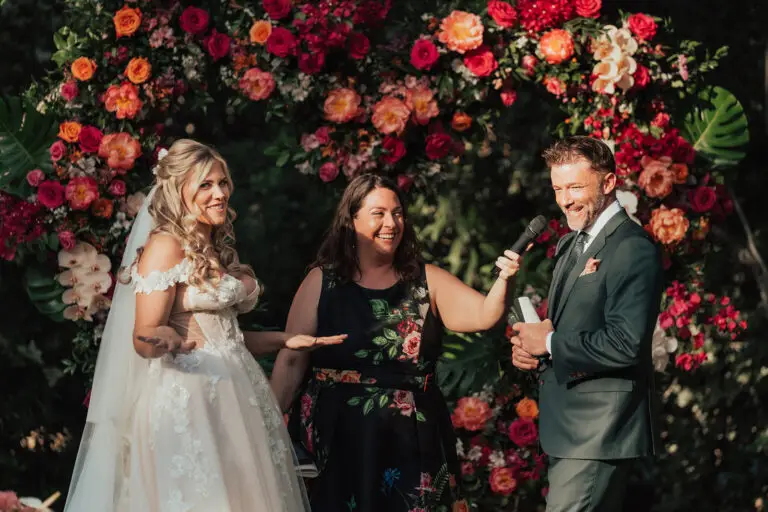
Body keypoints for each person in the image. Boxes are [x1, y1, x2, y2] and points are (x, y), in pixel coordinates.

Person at [64, 139, 346, 512]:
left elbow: (224, 337)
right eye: (206, 185)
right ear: (179, 191)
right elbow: (143, 336)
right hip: (188, 397)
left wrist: (285, 339)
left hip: (234, 392)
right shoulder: (165, 246)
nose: (220, 194)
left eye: (223, 183)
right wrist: (161, 337)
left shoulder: (213, 247)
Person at [270, 173, 524, 512]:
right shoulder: (321, 281)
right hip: (335, 437)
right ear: (352, 220)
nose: (391, 223)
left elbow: (485, 314)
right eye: (378, 213)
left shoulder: (426, 280)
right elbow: (290, 362)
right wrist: (265, 427)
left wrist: (505, 279)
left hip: (410, 441)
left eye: (398, 212)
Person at [510, 136, 663, 511]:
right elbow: (566, 329)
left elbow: (626, 344)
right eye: (558, 188)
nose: (565, 200)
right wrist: (532, 349)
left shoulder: (632, 247)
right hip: (568, 427)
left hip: (598, 429)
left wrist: (548, 344)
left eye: (576, 187)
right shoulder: (570, 244)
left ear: (609, 183)